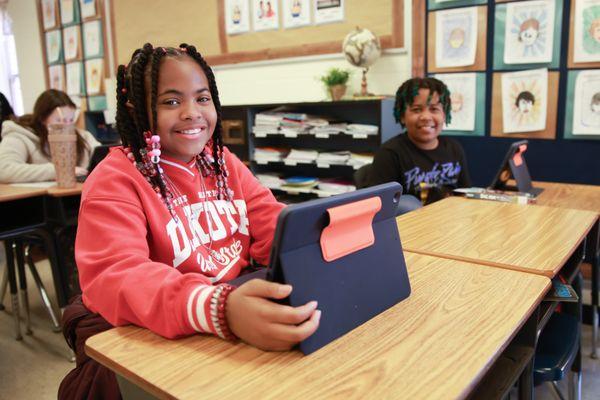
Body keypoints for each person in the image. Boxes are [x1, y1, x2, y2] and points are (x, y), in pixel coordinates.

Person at [59, 42, 321, 400]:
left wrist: (322, 236)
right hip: (141, 332)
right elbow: (118, 275)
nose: (191, 113)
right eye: (170, 101)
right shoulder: (115, 178)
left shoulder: (222, 162)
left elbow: (272, 221)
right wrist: (219, 308)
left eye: (202, 98)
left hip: (227, 313)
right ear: (137, 110)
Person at [358, 77, 471, 204]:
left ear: (444, 115)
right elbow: (379, 207)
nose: (426, 117)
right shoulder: (389, 153)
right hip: (408, 222)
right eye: (416, 109)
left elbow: (465, 196)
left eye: (434, 109)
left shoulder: (454, 149)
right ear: (402, 116)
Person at [0, 89, 99, 183]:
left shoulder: (83, 136)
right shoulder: (19, 135)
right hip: (41, 199)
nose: (67, 125)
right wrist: (57, 171)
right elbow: (4, 170)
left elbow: (101, 154)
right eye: (60, 120)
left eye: (71, 120)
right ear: (43, 119)